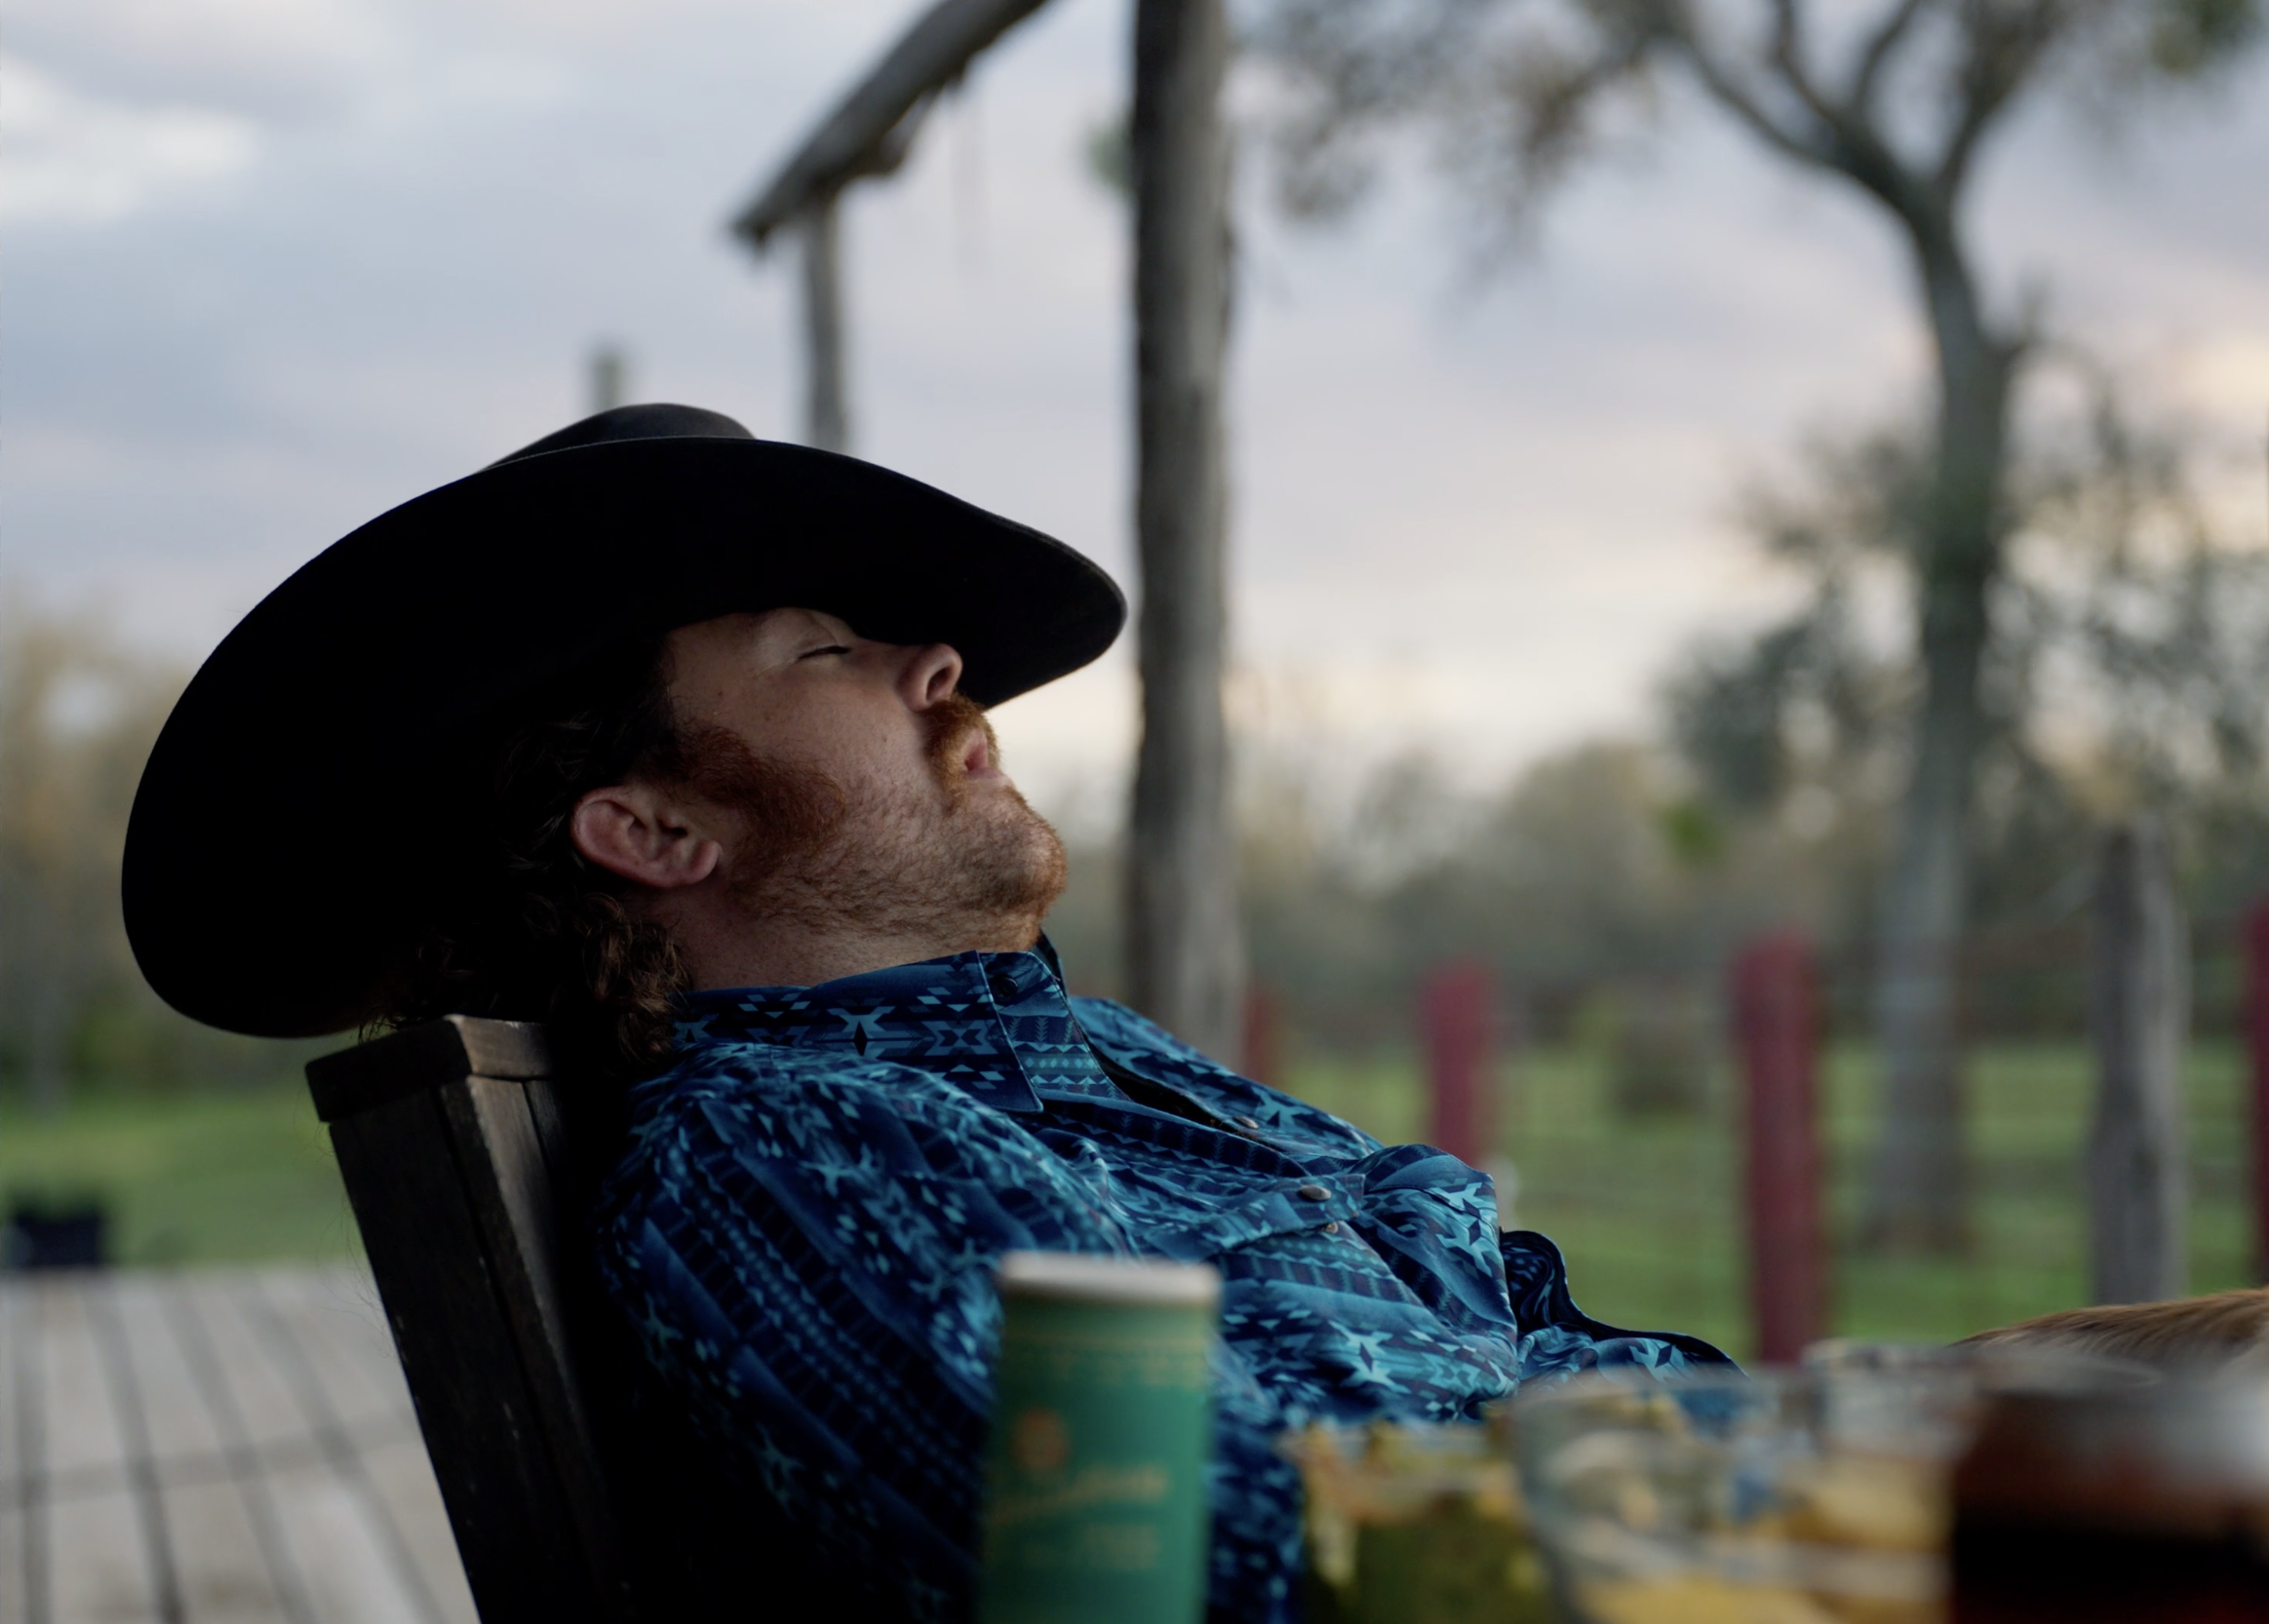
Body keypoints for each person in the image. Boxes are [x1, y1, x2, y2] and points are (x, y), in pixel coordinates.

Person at [124, 406, 1731, 1622]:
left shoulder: (1091, 1069)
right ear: (658, 832)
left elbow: (1530, 1339)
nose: (941, 666)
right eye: (828, 648)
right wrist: (1843, 1492)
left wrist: (1894, 1426)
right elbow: (1224, 1565)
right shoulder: (791, 1160)